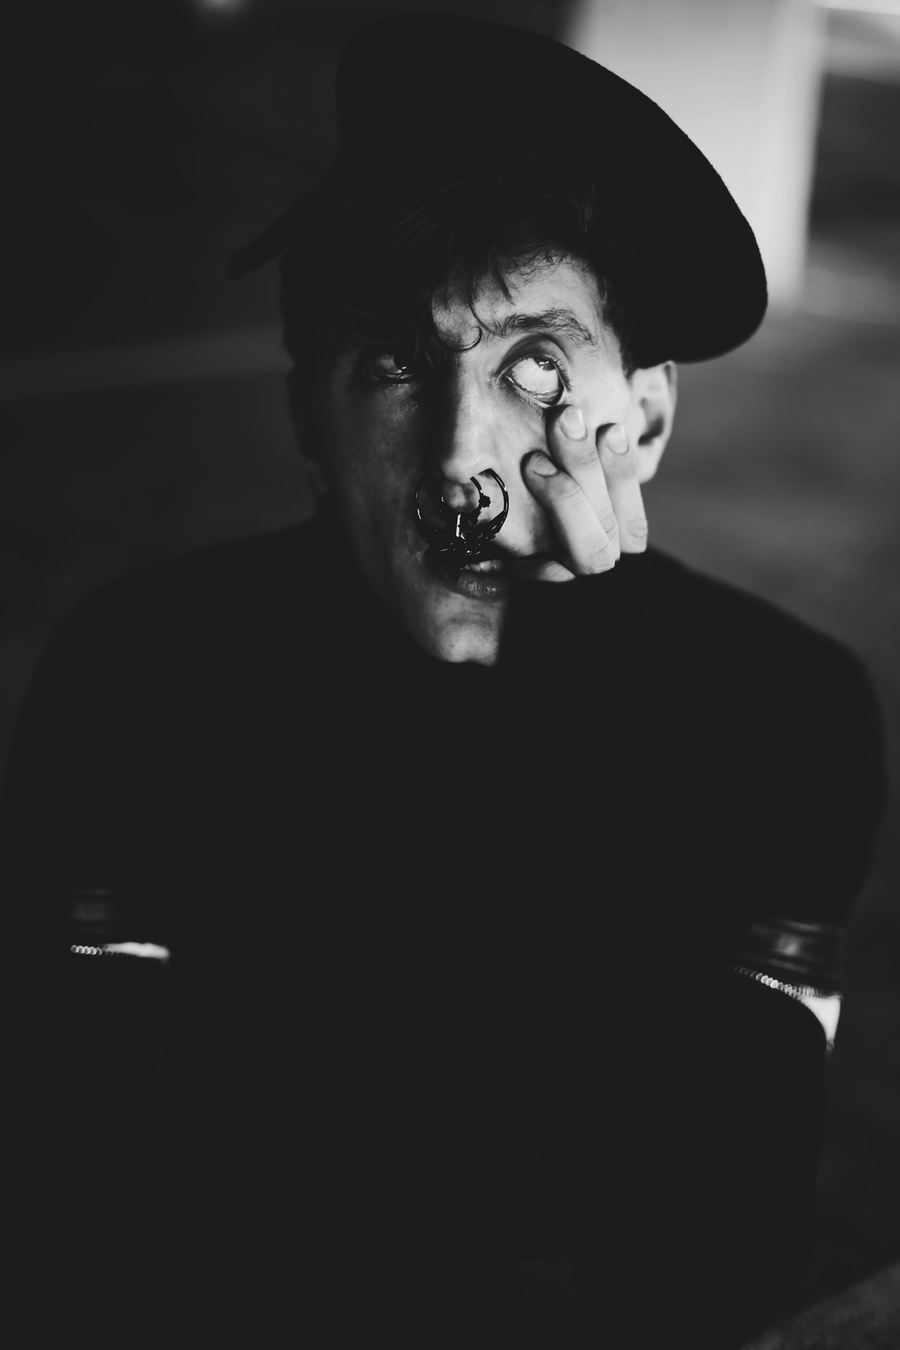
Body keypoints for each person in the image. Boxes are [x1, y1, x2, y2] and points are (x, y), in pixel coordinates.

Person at [3, 14, 887, 1348]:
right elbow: (74, 1209)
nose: (461, 467)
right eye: (394, 368)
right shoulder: (137, 676)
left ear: (644, 418)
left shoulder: (787, 719)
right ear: (308, 415)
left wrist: (591, 689)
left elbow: (701, 1269)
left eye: (536, 370)